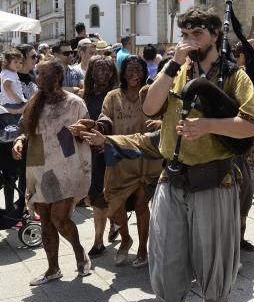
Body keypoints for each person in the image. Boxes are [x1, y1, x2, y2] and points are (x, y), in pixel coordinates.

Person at [136, 8, 254, 302]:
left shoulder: (233, 75)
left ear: (213, 34)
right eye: (185, 31)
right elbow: (149, 106)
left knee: (213, 262)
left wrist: (208, 125)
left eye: (197, 31)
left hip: (213, 180)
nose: (189, 37)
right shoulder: (174, 71)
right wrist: (170, 66)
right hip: (171, 178)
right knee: (166, 260)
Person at [11, 60, 93, 286]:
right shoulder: (34, 102)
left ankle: (79, 252)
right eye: (37, 73)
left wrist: (82, 131)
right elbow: (23, 127)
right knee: (45, 218)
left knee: (60, 218)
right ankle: (53, 268)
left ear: (57, 76)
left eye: (43, 73)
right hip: (39, 165)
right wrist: (19, 141)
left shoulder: (75, 103)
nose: (38, 77)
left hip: (66, 165)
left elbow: (88, 131)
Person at [95, 56, 161, 267]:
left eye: (139, 70)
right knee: (115, 206)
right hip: (120, 159)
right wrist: (99, 126)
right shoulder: (113, 96)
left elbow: (168, 115)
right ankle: (125, 238)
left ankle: (143, 248)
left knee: (142, 204)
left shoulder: (152, 93)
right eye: (130, 70)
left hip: (146, 158)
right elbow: (104, 117)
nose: (135, 74)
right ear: (122, 73)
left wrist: (160, 121)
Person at [78, 56, 118, 259]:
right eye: (98, 70)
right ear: (91, 72)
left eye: (106, 70)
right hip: (90, 154)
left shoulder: (115, 96)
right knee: (96, 199)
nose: (102, 74)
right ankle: (100, 239)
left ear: (112, 73)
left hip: (111, 152)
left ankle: (108, 231)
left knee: (107, 196)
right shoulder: (83, 96)